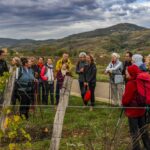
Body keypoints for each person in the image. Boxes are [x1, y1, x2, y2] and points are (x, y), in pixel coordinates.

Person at [122, 65, 150, 150]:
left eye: (127, 71)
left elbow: (126, 100)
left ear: (131, 73)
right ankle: (147, 146)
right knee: (143, 130)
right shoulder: (140, 81)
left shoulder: (130, 84)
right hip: (141, 110)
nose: (125, 73)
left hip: (132, 112)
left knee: (134, 132)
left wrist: (123, 102)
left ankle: (136, 148)